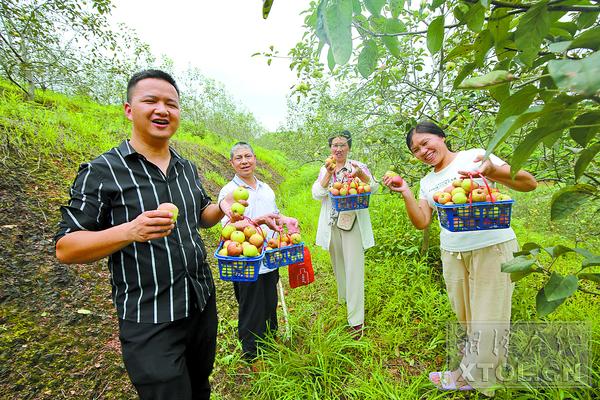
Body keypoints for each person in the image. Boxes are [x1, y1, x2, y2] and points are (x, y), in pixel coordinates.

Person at [55, 69, 241, 400]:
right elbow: (67, 248)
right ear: (129, 109)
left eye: (171, 103)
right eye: (150, 101)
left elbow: (200, 216)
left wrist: (222, 207)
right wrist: (131, 230)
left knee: (200, 387)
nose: (162, 110)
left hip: (200, 304)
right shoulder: (103, 171)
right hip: (150, 318)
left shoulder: (186, 168)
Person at [382, 121, 537, 396]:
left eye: (426, 142)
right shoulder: (427, 181)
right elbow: (422, 221)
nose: (423, 151)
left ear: (442, 137)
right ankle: (468, 372)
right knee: (467, 318)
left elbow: (528, 183)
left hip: (492, 246)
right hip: (453, 251)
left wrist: (493, 171)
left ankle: (481, 382)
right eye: (416, 150)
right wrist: (406, 190)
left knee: (489, 318)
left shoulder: (474, 156)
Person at [217, 141, 298, 361]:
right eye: (239, 158)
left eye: (248, 156)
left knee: (270, 303)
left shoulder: (266, 188)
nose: (244, 161)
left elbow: (273, 214)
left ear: (255, 158)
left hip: (269, 257)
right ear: (231, 163)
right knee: (251, 308)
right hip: (245, 260)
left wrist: (285, 219)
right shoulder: (229, 192)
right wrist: (257, 224)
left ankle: (270, 342)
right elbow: (230, 228)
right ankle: (252, 356)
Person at [311, 130, 378, 338]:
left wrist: (361, 176)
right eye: (335, 145)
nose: (338, 149)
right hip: (332, 223)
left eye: (343, 145)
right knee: (338, 264)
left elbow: (373, 187)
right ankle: (345, 301)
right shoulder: (325, 169)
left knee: (354, 268)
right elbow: (317, 194)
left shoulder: (358, 166)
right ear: (330, 148)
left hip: (353, 223)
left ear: (349, 147)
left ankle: (356, 321)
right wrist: (329, 174)